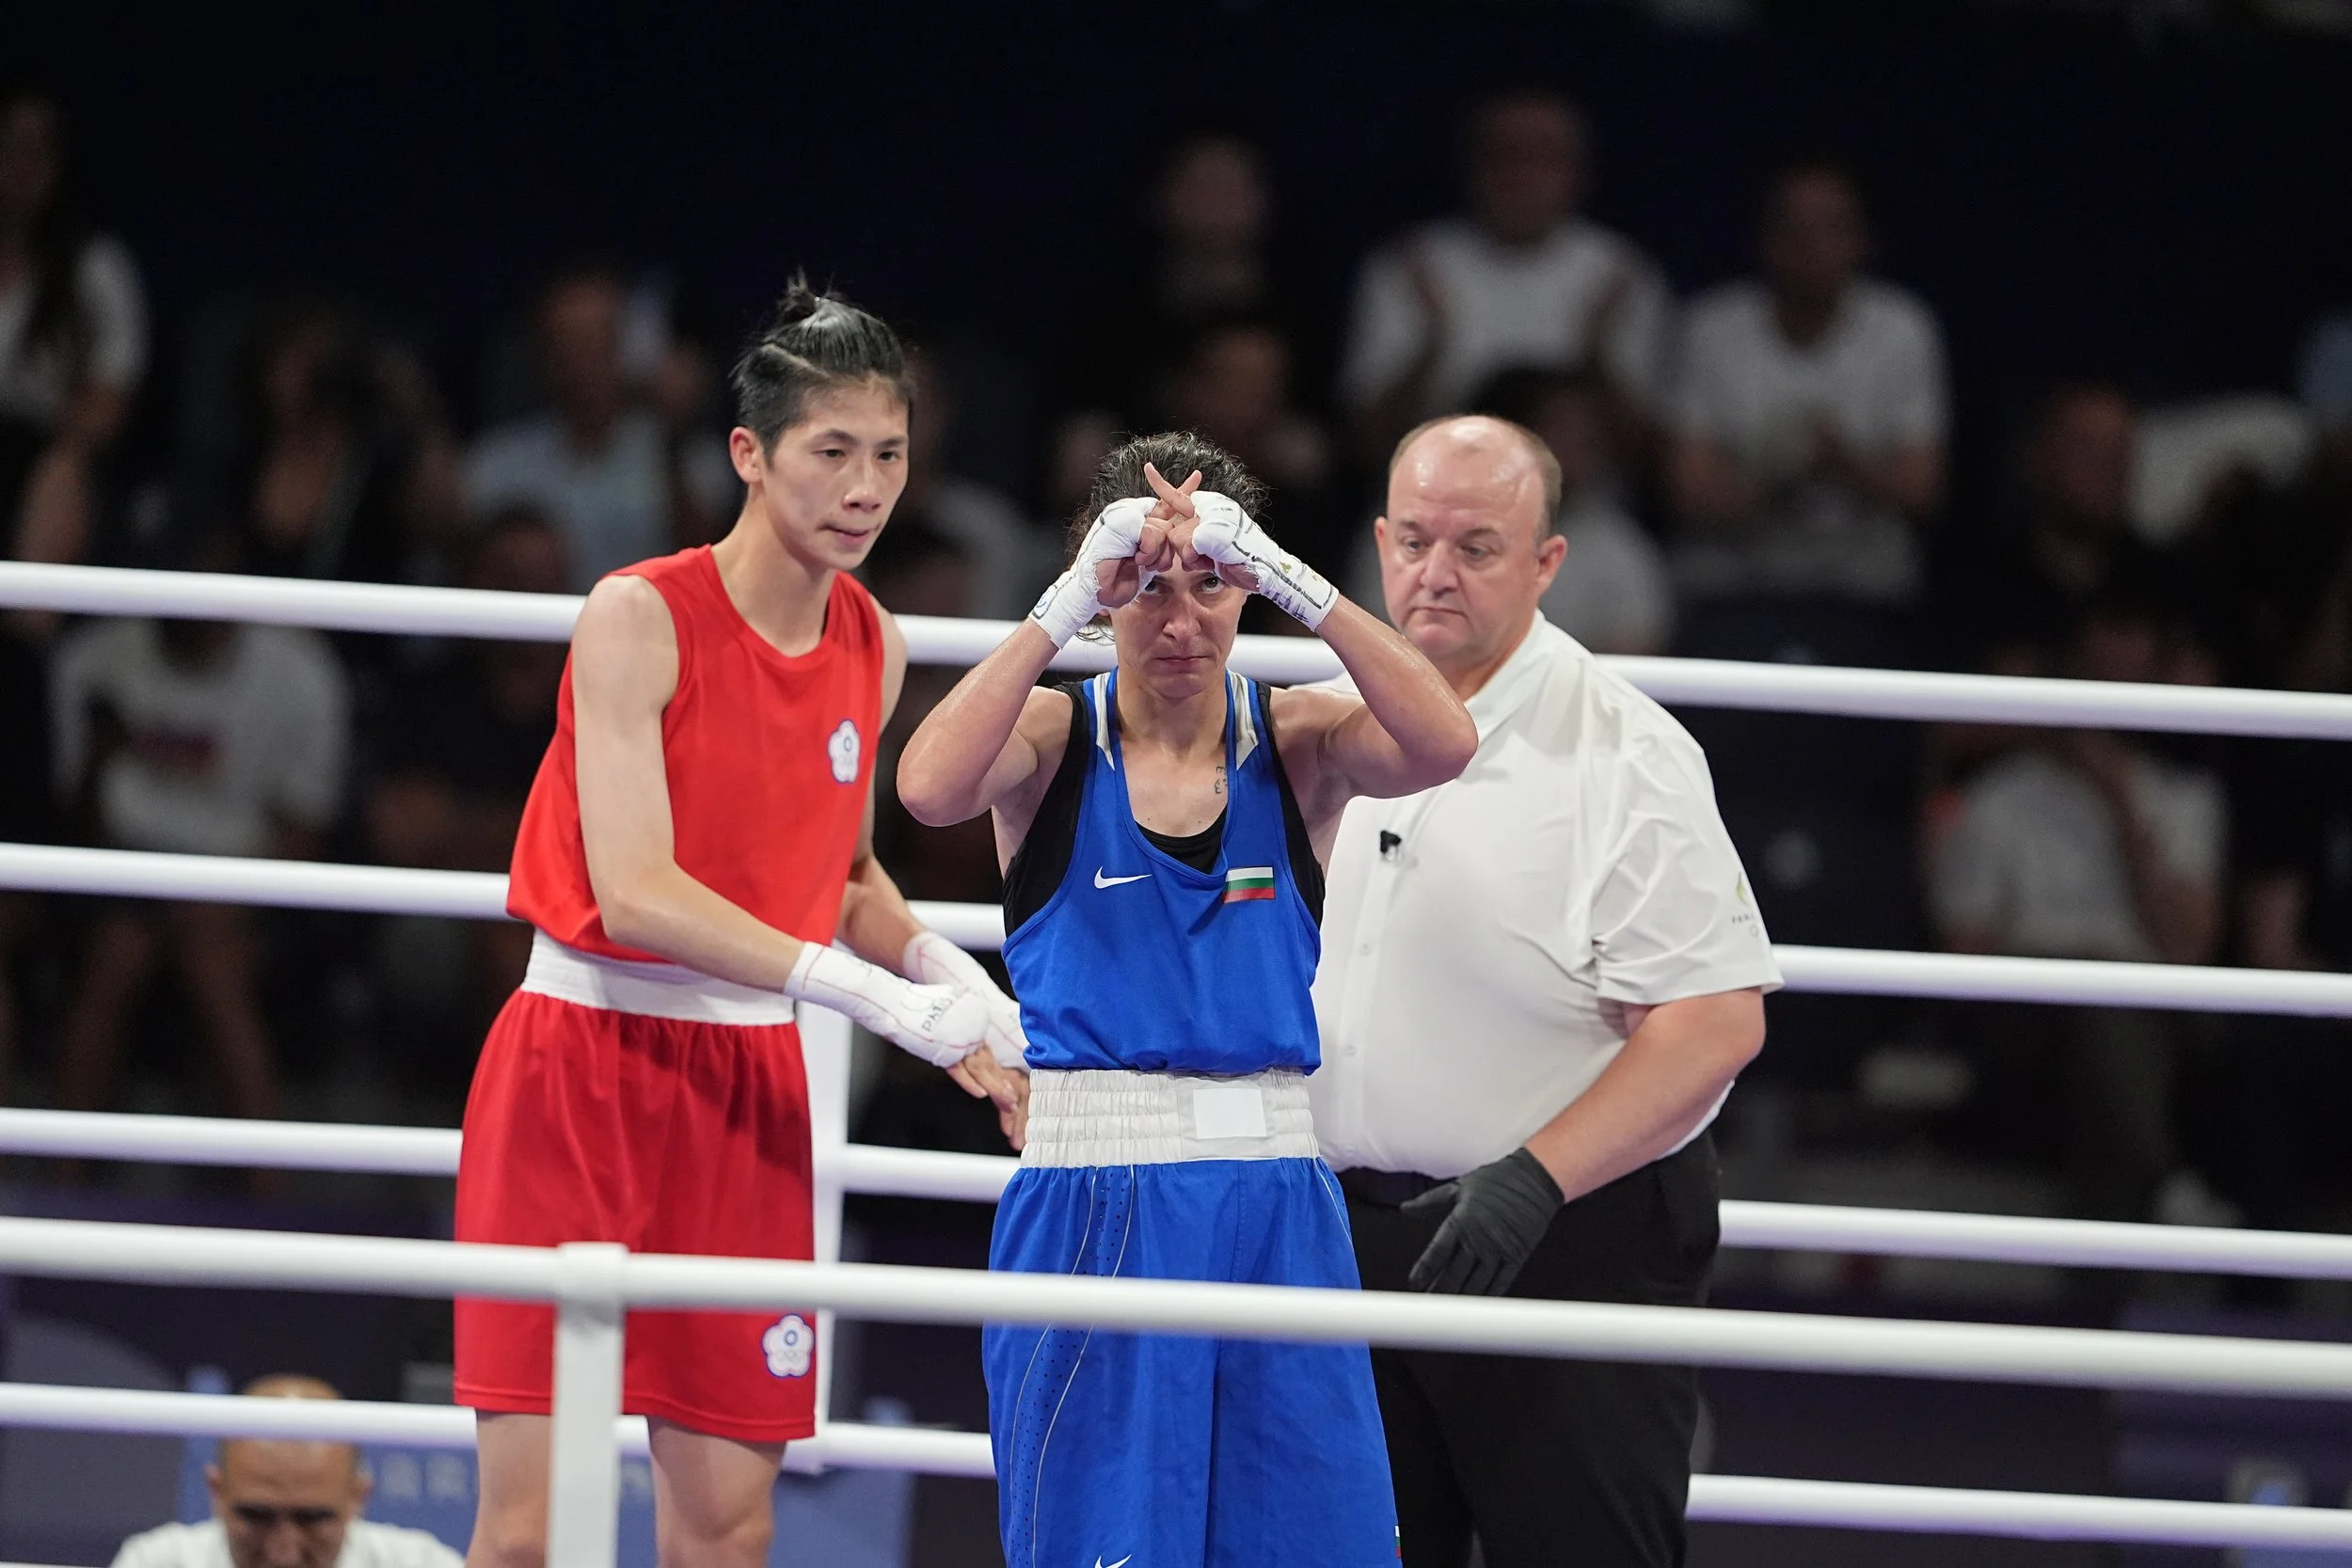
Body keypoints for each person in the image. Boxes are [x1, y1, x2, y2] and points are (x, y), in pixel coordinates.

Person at [453, 282, 1028, 1568]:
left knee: (728, 1525)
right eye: (833, 451)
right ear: (750, 454)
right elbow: (641, 888)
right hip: (580, 1060)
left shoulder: (870, 636)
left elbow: (837, 869)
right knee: (525, 1534)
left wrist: (952, 971)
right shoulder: (637, 614)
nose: (867, 486)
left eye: (889, 453)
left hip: (751, 1085)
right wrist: (879, 1000)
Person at [898, 432, 1476, 1568]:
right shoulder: (1054, 736)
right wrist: (1066, 601)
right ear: (1107, 591)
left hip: (1278, 1204)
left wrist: (1287, 576)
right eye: (1147, 585)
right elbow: (924, 787)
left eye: (1208, 583)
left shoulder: (1298, 737)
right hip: (1097, 1197)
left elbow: (1447, 740)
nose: (1180, 618)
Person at [1311, 414, 1779, 1568]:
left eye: (1476, 545)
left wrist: (1533, 1178)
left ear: (1545, 563)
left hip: (1570, 1240)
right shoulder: (1325, 718)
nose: (1435, 571)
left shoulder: (1624, 750)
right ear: (1378, 541)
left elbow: (1716, 1019)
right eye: (1415, 538)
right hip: (1352, 1239)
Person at [1930, 592, 2223, 1222]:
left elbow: (2189, 946)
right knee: (2102, 1008)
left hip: (2163, 1024)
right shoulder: (1996, 802)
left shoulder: (2183, 799)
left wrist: (2122, 811)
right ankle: (2166, 1179)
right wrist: (2069, 966)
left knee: (2119, 1027)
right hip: (2034, 1022)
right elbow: (1963, 955)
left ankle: (2148, 1187)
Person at [49, 528, 350, 1126]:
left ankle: (270, 1201)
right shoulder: (94, 659)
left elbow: (306, 832)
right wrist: (96, 762)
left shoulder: (300, 672)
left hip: (246, 884)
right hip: (121, 875)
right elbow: (68, 816)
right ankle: (55, 1189)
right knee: (116, 955)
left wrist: (226, 894)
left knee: (212, 965)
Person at [1669, 154, 1947, 608]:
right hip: (1732, 587)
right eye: (1791, 226)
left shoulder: (1902, 329)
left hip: (1866, 589)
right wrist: (1784, 480)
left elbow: (1922, 490)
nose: (1809, 243)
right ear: (1763, 237)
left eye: (1831, 226)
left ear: (1864, 240)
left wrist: (1846, 469)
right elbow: (1688, 494)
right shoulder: (1712, 328)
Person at [1339, 88, 1671, 466]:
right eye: (1504, 154)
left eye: (1544, 156)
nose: (1522, 174)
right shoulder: (1409, 266)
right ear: (1470, 165)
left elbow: (1647, 458)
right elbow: (1365, 443)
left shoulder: (1619, 273)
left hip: (1579, 510)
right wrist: (1431, 347)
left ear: (1578, 170)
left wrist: (1596, 357)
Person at [464, 261, 736, 590]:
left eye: (598, 341)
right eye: (566, 344)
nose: (583, 363)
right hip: (546, 636)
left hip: (652, 636)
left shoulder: (685, 456)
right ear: (539, 354)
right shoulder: (494, 465)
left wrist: (672, 435)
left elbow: (709, 558)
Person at [109, 1375, 460, 1568]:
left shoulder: (420, 1564)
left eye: (311, 1518)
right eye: (257, 1516)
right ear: (217, 1492)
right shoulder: (159, 1562)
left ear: (358, 1496)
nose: (284, 1553)